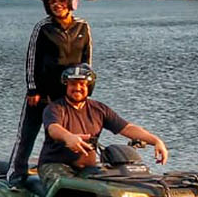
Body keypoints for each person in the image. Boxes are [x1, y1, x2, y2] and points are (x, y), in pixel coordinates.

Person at [6, 0, 92, 181]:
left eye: (61, 0)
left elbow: (87, 61)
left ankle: (66, 172)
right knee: (27, 134)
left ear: (71, 1)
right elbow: (31, 59)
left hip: (68, 93)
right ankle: (15, 175)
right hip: (42, 93)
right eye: (52, 2)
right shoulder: (42, 28)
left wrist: (86, 89)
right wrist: (32, 89)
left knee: (64, 134)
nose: (57, 5)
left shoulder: (83, 26)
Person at [37, 64, 167, 185]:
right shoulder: (55, 108)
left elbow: (127, 128)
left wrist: (156, 141)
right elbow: (53, 128)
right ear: (66, 86)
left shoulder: (99, 109)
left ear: (89, 87)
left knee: (114, 187)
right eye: (73, 84)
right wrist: (68, 137)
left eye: (82, 84)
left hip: (88, 168)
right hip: (55, 164)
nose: (77, 88)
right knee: (68, 187)